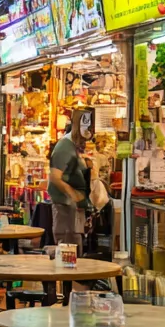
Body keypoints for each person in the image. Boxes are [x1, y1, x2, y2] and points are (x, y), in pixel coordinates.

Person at [48, 108, 93, 252]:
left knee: (74, 245)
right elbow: (55, 177)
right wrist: (73, 194)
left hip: (73, 207)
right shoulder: (65, 147)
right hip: (65, 205)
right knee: (67, 248)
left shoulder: (73, 146)